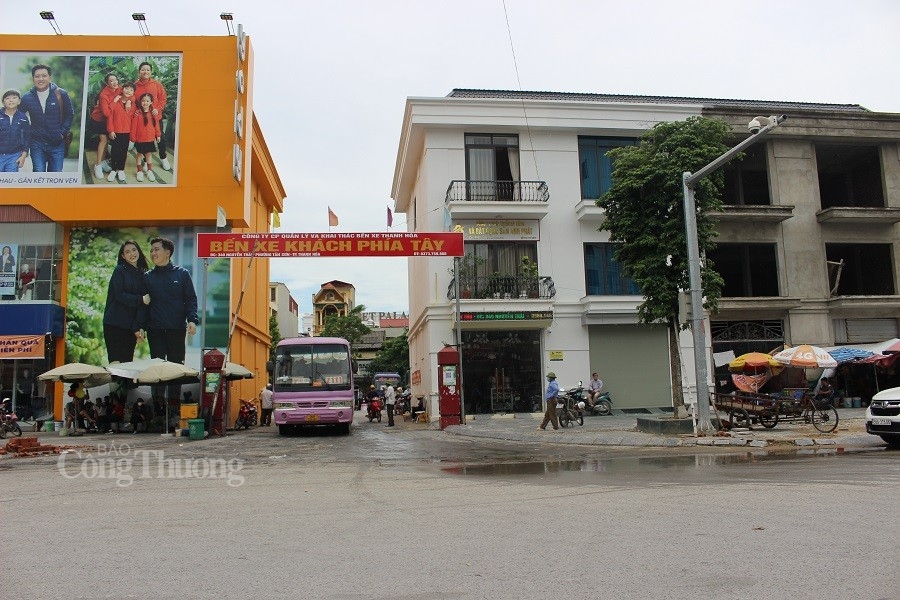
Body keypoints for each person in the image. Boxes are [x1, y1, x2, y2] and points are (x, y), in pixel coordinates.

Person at [144, 237, 199, 401]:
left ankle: (174, 406)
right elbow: (143, 306)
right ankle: (158, 407)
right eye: (152, 250)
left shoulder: (182, 274)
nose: (153, 253)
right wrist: (139, 327)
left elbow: (190, 299)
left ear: (167, 253)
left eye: (156, 249)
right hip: (155, 329)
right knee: (157, 369)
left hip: (176, 329)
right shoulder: (147, 277)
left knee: (176, 368)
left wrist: (192, 320)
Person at [19, 64, 74, 173]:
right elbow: (19, 117)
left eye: (44, 76)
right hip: (36, 143)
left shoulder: (61, 94)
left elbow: (70, 114)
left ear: (50, 77)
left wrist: (62, 133)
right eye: (37, 76)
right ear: (33, 78)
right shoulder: (27, 97)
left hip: (57, 143)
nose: (40, 79)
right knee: (38, 173)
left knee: (56, 174)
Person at [103, 240, 150, 364]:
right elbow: (119, 295)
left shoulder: (143, 274)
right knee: (115, 361)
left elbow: (145, 304)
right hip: (114, 323)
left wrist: (139, 327)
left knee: (127, 362)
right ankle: (115, 384)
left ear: (138, 251)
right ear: (123, 256)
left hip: (130, 326)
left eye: (134, 250)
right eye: (127, 252)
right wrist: (140, 299)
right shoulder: (119, 270)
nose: (132, 253)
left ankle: (124, 384)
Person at [133, 61, 171, 172]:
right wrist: (135, 111)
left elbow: (163, 98)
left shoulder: (156, 84)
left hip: (155, 116)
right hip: (141, 119)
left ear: (151, 71)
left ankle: (163, 157)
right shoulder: (135, 85)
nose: (145, 71)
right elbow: (133, 100)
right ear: (139, 71)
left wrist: (157, 109)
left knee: (161, 138)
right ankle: (145, 161)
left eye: (148, 70)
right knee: (144, 140)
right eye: (143, 69)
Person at [87, 72, 121, 180]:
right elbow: (106, 113)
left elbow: (130, 94)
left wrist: (130, 101)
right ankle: (97, 166)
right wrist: (115, 101)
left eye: (115, 80)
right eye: (111, 81)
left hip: (110, 120)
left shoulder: (119, 89)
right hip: (99, 119)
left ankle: (102, 163)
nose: (114, 82)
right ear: (107, 83)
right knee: (104, 140)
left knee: (107, 141)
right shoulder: (104, 94)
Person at [105, 81, 136, 183]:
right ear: (122, 89)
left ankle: (121, 170)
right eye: (126, 88)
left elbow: (133, 119)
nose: (128, 91)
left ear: (133, 93)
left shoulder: (133, 104)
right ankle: (114, 170)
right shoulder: (115, 101)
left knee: (123, 152)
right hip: (115, 131)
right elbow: (109, 116)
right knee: (115, 151)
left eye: (131, 90)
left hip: (127, 131)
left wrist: (130, 101)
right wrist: (111, 130)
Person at [130, 93, 161, 182]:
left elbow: (157, 125)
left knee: (148, 154)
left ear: (151, 102)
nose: (145, 103)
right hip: (140, 138)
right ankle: (139, 171)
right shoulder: (137, 113)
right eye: (143, 101)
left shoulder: (153, 113)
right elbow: (134, 126)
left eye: (147, 101)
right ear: (140, 102)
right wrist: (133, 137)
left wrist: (158, 135)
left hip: (150, 138)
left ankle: (149, 170)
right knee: (139, 154)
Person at [0, 89, 30, 172]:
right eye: (7, 98)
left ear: (19, 101)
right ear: (3, 102)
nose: (11, 100)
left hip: (14, 156)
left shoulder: (23, 118)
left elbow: (27, 138)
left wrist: (23, 156)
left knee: (10, 183)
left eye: (14, 97)